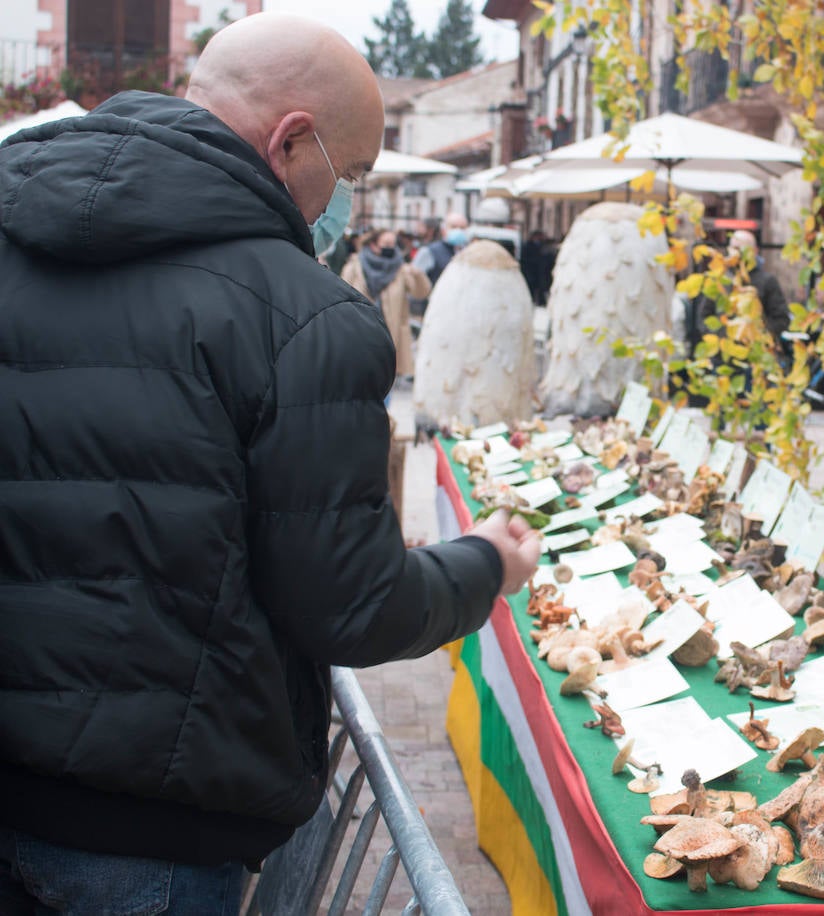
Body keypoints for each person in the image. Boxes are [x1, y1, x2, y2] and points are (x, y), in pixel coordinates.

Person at [0, 11, 541, 912]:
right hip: (154, 831)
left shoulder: (12, 233)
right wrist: (486, 561)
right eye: (354, 173)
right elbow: (354, 605)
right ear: (292, 142)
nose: (351, 200)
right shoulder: (306, 317)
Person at [342, 228, 432, 384]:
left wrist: (417, 275)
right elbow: (342, 295)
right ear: (373, 245)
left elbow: (421, 293)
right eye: (386, 243)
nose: (390, 248)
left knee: (385, 380)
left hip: (390, 335)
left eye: (393, 244)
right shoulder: (355, 267)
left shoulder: (402, 269)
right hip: (361, 332)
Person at [412, 211, 470, 286]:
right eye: (453, 227)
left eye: (462, 228)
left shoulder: (470, 251)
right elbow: (415, 281)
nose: (458, 231)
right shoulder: (429, 251)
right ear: (444, 230)